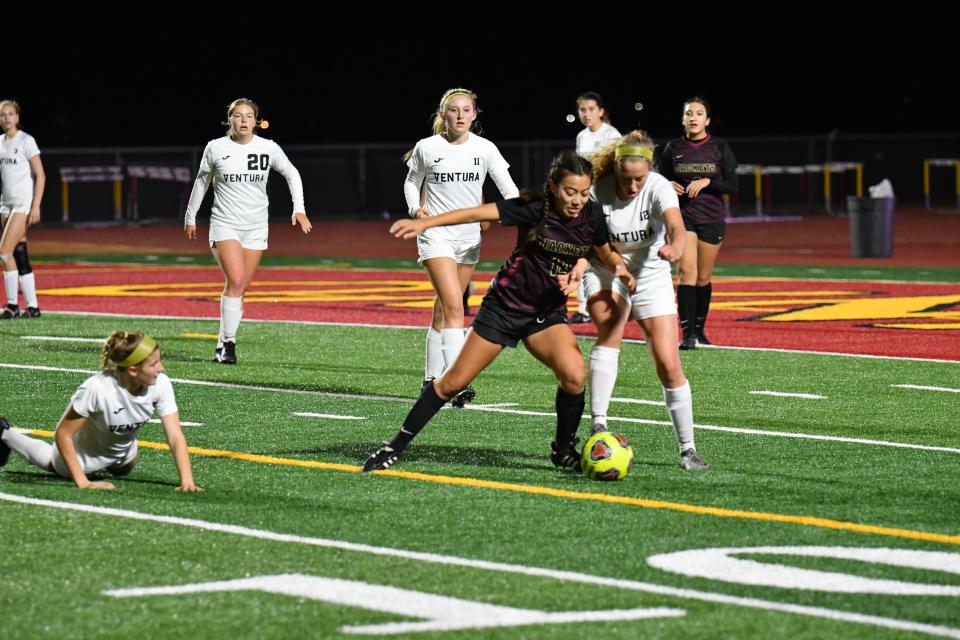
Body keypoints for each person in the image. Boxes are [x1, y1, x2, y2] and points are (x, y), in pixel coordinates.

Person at [362, 150, 635, 473]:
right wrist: (427, 222)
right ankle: (395, 446)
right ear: (553, 186)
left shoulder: (591, 214)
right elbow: (474, 213)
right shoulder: (535, 207)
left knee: (574, 375)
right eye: (570, 191)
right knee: (451, 383)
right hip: (504, 308)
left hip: (545, 314)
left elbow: (604, 251)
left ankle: (563, 449)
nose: (577, 200)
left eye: (584, 192)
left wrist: (619, 269)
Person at [584, 131, 708, 470]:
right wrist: (615, 270)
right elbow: (594, 243)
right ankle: (598, 424)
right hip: (606, 270)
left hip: (651, 273)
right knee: (611, 327)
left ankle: (688, 449)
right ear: (616, 168)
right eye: (627, 178)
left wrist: (676, 248)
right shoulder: (598, 190)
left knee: (669, 363)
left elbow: (676, 227)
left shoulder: (658, 185)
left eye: (639, 178)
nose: (634, 186)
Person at [403, 88, 519, 406]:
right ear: (443, 115)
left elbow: (507, 188)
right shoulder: (427, 147)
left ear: (474, 114)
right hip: (435, 235)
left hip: (469, 239)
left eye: (466, 110)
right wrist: (416, 209)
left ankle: (430, 380)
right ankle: (456, 382)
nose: (460, 116)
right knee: (455, 307)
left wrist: (524, 213)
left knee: (443, 311)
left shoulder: (485, 149)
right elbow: (411, 182)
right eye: (453, 110)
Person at [184, 98, 312, 364]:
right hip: (224, 223)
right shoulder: (215, 147)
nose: (243, 120)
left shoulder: (268, 147)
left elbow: (292, 173)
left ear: (256, 121)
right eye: (238, 116)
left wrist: (298, 208)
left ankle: (221, 344)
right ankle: (229, 345)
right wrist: (190, 216)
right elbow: (201, 181)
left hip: (256, 226)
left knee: (239, 288)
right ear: (228, 120)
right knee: (237, 280)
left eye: (248, 116)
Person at [0, 331, 203, 491]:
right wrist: (83, 481)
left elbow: (175, 436)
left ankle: (114, 460)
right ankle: (5, 433)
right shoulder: (97, 388)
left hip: (120, 452)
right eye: (154, 364)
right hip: (83, 455)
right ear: (133, 370)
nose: (162, 368)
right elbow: (63, 433)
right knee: (53, 462)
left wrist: (187, 481)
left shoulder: (161, 384)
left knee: (126, 468)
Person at [657, 96, 738, 349]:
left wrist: (708, 182)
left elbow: (733, 186)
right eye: (689, 113)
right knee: (687, 272)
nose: (693, 117)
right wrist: (666, 184)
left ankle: (700, 331)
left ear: (707, 120)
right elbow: (657, 181)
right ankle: (688, 334)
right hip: (684, 217)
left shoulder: (720, 147)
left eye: (699, 113)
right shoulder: (673, 148)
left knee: (703, 277)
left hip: (712, 218)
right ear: (683, 119)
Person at [569, 92, 621, 325]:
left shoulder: (611, 135)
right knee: (580, 252)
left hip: (606, 205)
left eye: (591, 109)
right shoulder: (581, 136)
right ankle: (584, 308)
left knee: (607, 252)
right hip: (585, 204)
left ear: (600, 110)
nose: (586, 114)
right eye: (582, 110)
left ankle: (616, 301)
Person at [0, 99, 45, 319]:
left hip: (21, 204)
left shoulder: (26, 140)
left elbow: (41, 175)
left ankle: (11, 305)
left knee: (3, 252)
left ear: (17, 117)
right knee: (19, 253)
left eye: (10, 114)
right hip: (5, 204)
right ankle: (33, 306)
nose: (6, 118)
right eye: (2, 115)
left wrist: (35, 205)